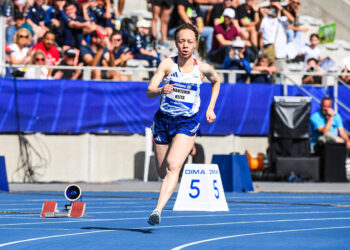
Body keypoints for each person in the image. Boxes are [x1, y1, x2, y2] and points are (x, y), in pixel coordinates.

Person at [146, 23, 220, 225]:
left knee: (173, 164)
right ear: (176, 43)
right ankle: (163, 195)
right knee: (162, 171)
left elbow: (217, 81)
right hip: (163, 120)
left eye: (189, 41)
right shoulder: (167, 64)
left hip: (187, 121)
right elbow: (150, 89)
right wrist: (162, 90)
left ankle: (157, 210)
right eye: (181, 41)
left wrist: (210, 108)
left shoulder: (202, 68)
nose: (185, 45)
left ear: (195, 44)